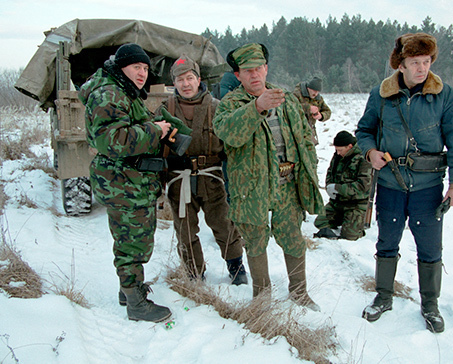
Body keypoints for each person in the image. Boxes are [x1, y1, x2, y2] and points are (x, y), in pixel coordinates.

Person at [355, 32, 453, 333]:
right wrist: (370, 152)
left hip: (427, 188)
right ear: (401, 64)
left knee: (430, 249)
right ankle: (383, 296)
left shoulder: (444, 95)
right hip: (391, 185)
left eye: (427, 61)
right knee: (386, 242)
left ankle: (430, 304)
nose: (422, 68)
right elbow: (364, 131)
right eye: (415, 62)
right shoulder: (381, 94)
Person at [213, 43, 324, 311]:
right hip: (252, 188)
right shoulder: (230, 104)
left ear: (266, 68)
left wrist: (308, 170)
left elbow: (304, 139)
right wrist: (256, 108)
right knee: (254, 240)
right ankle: (261, 298)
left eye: (259, 68)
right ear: (237, 75)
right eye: (247, 70)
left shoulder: (285, 98)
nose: (254, 75)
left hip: (287, 184)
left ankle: (299, 292)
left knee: (293, 236)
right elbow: (228, 134)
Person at [78, 43, 179, 323]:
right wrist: (154, 130)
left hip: (129, 181)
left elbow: (126, 126)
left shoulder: (121, 90)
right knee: (132, 243)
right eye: (137, 67)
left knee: (134, 239)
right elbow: (112, 140)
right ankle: (136, 304)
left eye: (146, 68)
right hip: (123, 183)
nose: (142, 73)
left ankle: (129, 290)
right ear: (121, 66)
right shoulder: (108, 93)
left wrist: (157, 124)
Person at [155, 55, 247, 285]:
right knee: (185, 231)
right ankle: (194, 273)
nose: (185, 84)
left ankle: (236, 267)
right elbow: (155, 147)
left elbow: (232, 146)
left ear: (199, 79)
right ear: (173, 83)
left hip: (212, 177)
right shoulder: (165, 110)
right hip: (179, 179)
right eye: (180, 80)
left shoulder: (217, 107)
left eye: (189, 78)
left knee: (224, 225)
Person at [313, 131, 372, 240]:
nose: (338, 153)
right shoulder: (338, 156)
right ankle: (342, 220)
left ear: (349, 146)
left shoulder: (364, 158)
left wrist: (339, 189)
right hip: (338, 202)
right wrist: (330, 186)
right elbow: (330, 172)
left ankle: (355, 224)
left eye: (340, 150)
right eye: (336, 149)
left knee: (350, 235)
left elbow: (363, 186)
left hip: (355, 204)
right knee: (320, 221)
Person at [293, 76, 331, 145]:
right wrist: (308, 108)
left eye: (318, 92)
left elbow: (328, 111)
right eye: (314, 91)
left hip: (310, 131)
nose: (316, 94)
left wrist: (321, 116)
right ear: (308, 88)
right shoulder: (297, 95)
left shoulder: (318, 99)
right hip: (295, 130)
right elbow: (291, 107)